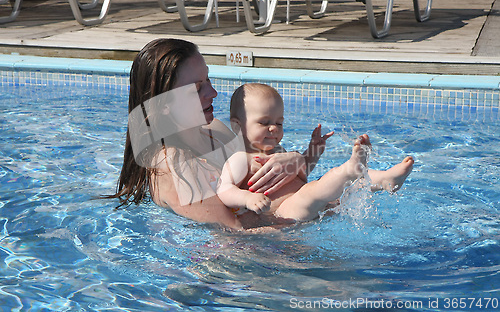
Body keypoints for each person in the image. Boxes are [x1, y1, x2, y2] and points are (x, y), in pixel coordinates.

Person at [108, 38, 320, 230]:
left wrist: (295, 160)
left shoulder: (215, 130)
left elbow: (260, 164)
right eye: (196, 89)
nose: (213, 93)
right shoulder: (174, 165)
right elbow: (235, 234)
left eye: (208, 80)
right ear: (164, 105)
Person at [217, 83, 414, 222]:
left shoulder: (279, 152)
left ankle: (385, 180)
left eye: (279, 123)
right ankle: (351, 168)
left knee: (344, 193)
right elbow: (224, 190)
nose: (274, 129)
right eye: (264, 122)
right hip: (283, 213)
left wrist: (313, 151)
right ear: (237, 126)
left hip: (308, 207)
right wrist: (247, 199)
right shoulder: (241, 159)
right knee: (313, 191)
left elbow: (302, 173)